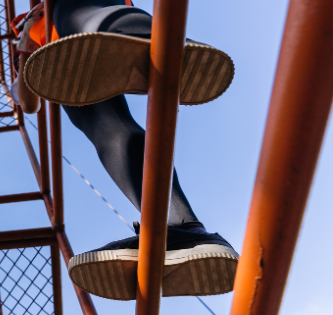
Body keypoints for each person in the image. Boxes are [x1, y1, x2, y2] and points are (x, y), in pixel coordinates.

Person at [13, 0, 239, 301]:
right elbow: (29, 103)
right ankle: (185, 231)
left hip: (96, 31)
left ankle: (145, 37)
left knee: (74, 10)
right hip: (67, 68)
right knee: (111, 134)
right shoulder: (26, 26)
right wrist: (25, 44)